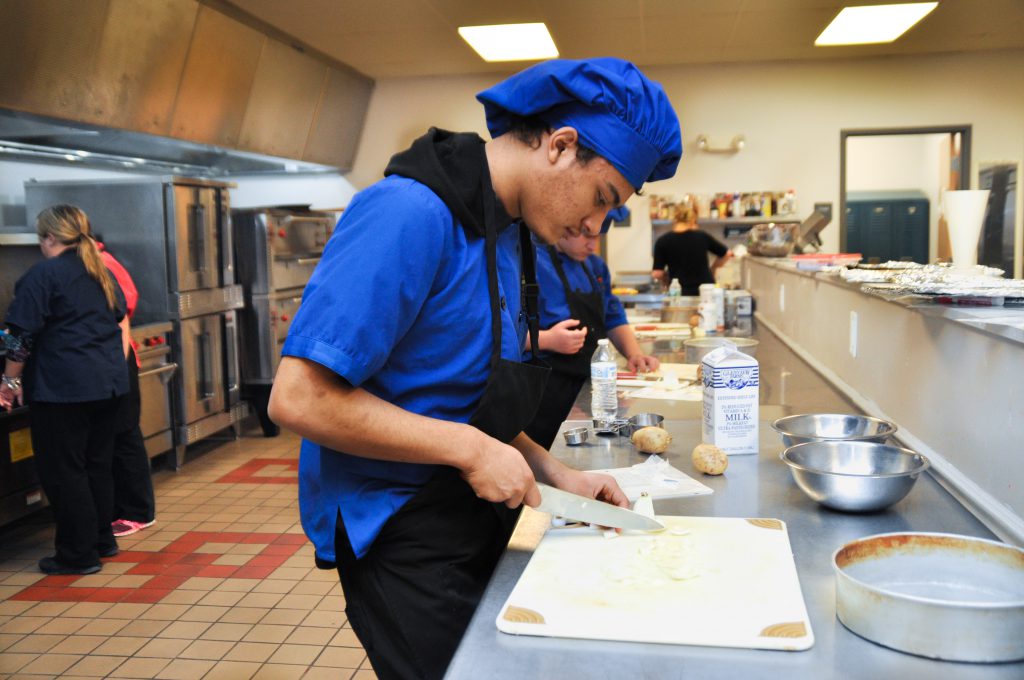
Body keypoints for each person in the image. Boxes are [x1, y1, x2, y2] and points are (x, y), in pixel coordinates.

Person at [267, 57, 681, 680]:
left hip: (467, 508)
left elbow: (457, 394)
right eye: (602, 199)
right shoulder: (407, 213)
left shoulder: (509, 234)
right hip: (399, 526)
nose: (596, 226)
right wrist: (467, 448)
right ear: (561, 146)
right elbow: (299, 398)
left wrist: (555, 471)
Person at [0, 205, 129, 575]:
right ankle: (102, 540)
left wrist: (9, 382)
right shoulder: (99, 271)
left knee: (65, 471)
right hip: (107, 385)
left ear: (50, 237)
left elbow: (21, 338)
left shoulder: (42, 275)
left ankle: (77, 553)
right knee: (97, 466)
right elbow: (117, 319)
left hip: (64, 389)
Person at [524, 206, 660, 449]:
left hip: (589, 387)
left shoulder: (594, 266)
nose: (593, 245)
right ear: (566, 226)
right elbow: (502, 332)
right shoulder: (532, 262)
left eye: (598, 237)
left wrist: (635, 354)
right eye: (587, 236)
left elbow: (612, 316)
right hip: (547, 392)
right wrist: (548, 339)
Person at [96, 239, 156, 537]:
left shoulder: (103, 263)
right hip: (114, 359)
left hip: (119, 358)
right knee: (122, 434)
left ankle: (137, 511)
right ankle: (126, 508)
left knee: (125, 434)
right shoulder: (99, 261)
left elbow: (123, 309)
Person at [652, 203, 733, 295]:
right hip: (706, 291)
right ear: (693, 221)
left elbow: (657, 274)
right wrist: (713, 268)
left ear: (675, 220)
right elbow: (728, 253)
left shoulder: (662, 241)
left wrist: (666, 281)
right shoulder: (702, 236)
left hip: (679, 292)